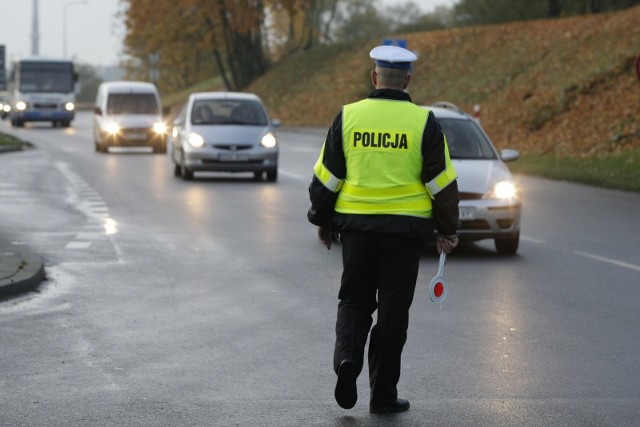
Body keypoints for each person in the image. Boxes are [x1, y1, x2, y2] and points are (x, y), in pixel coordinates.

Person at [307, 45, 460, 414]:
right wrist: (447, 228)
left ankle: (347, 361)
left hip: (357, 230)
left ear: (374, 78)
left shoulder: (348, 117)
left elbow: (327, 178)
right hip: (404, 235)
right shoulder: (423, 122)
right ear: (407, 80)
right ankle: (382, 396)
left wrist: (323, 221)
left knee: (355, 301)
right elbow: (440, 182)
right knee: (393, 314)